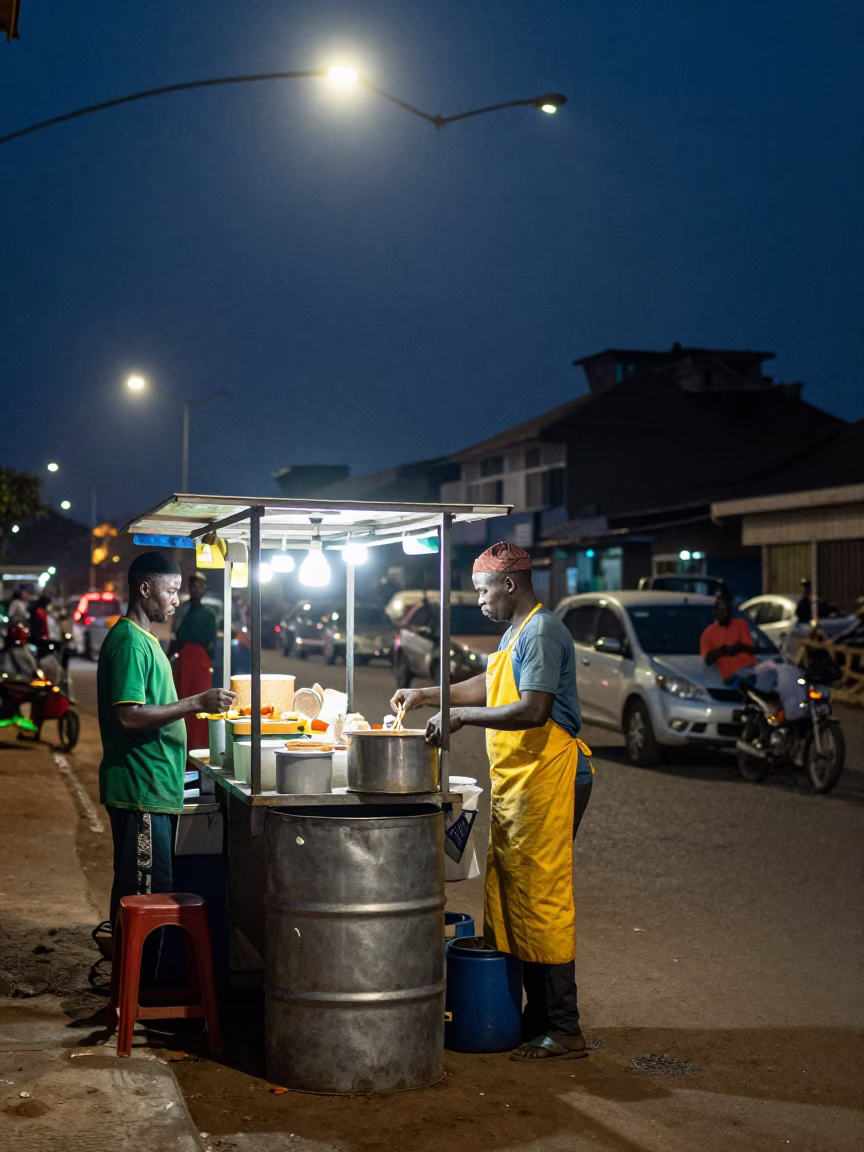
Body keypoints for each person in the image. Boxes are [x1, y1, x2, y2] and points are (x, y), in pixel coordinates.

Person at [392, 541, 594, 1063]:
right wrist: (427, 694)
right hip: (521, 781)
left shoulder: (544, 631)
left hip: (551, 774)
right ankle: (535, 1017)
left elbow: (532, 709)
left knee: (542, 895)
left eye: (484, 590)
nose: (479, 601)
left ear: (509, 584)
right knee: (515, 891)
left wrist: (460, 719)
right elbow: (490, 684)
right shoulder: (515, 632)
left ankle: (565, 1027)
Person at [97, 552, 234, 952]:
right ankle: (142, 992)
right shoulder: (128, 643)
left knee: (143, 889)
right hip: (141, 790)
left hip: (155, 788)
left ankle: (136, 979)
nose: (176, 600)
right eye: (170, 591)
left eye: (178, 591)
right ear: (145, 589)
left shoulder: (146, 640)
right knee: (146, 899)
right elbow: (129, 716)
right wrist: (195, 703)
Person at [700, 593, 807, 725]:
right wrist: (723, 650)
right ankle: (773, 714)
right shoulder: (709, 633)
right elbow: (708, 659)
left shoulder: (740, 625)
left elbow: (751, 648)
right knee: (758, 685)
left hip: (753, 667)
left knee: (785, 671)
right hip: (735, 673)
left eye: (727, 611)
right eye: (721, 611)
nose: (725, 614)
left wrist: (738, 648)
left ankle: (796, 711)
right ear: (715, 613)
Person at [170, 570, 217, 751]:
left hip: (201, 661)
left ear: (204, 588)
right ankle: (183, 743)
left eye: (199, 585)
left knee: (202, 701)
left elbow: (211, 643)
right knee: (183, 699)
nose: (196, 589)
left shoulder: (209, 614)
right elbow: (176, 636)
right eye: (192, 585)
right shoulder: (182, 610)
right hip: (184, 659)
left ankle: (200, 745)